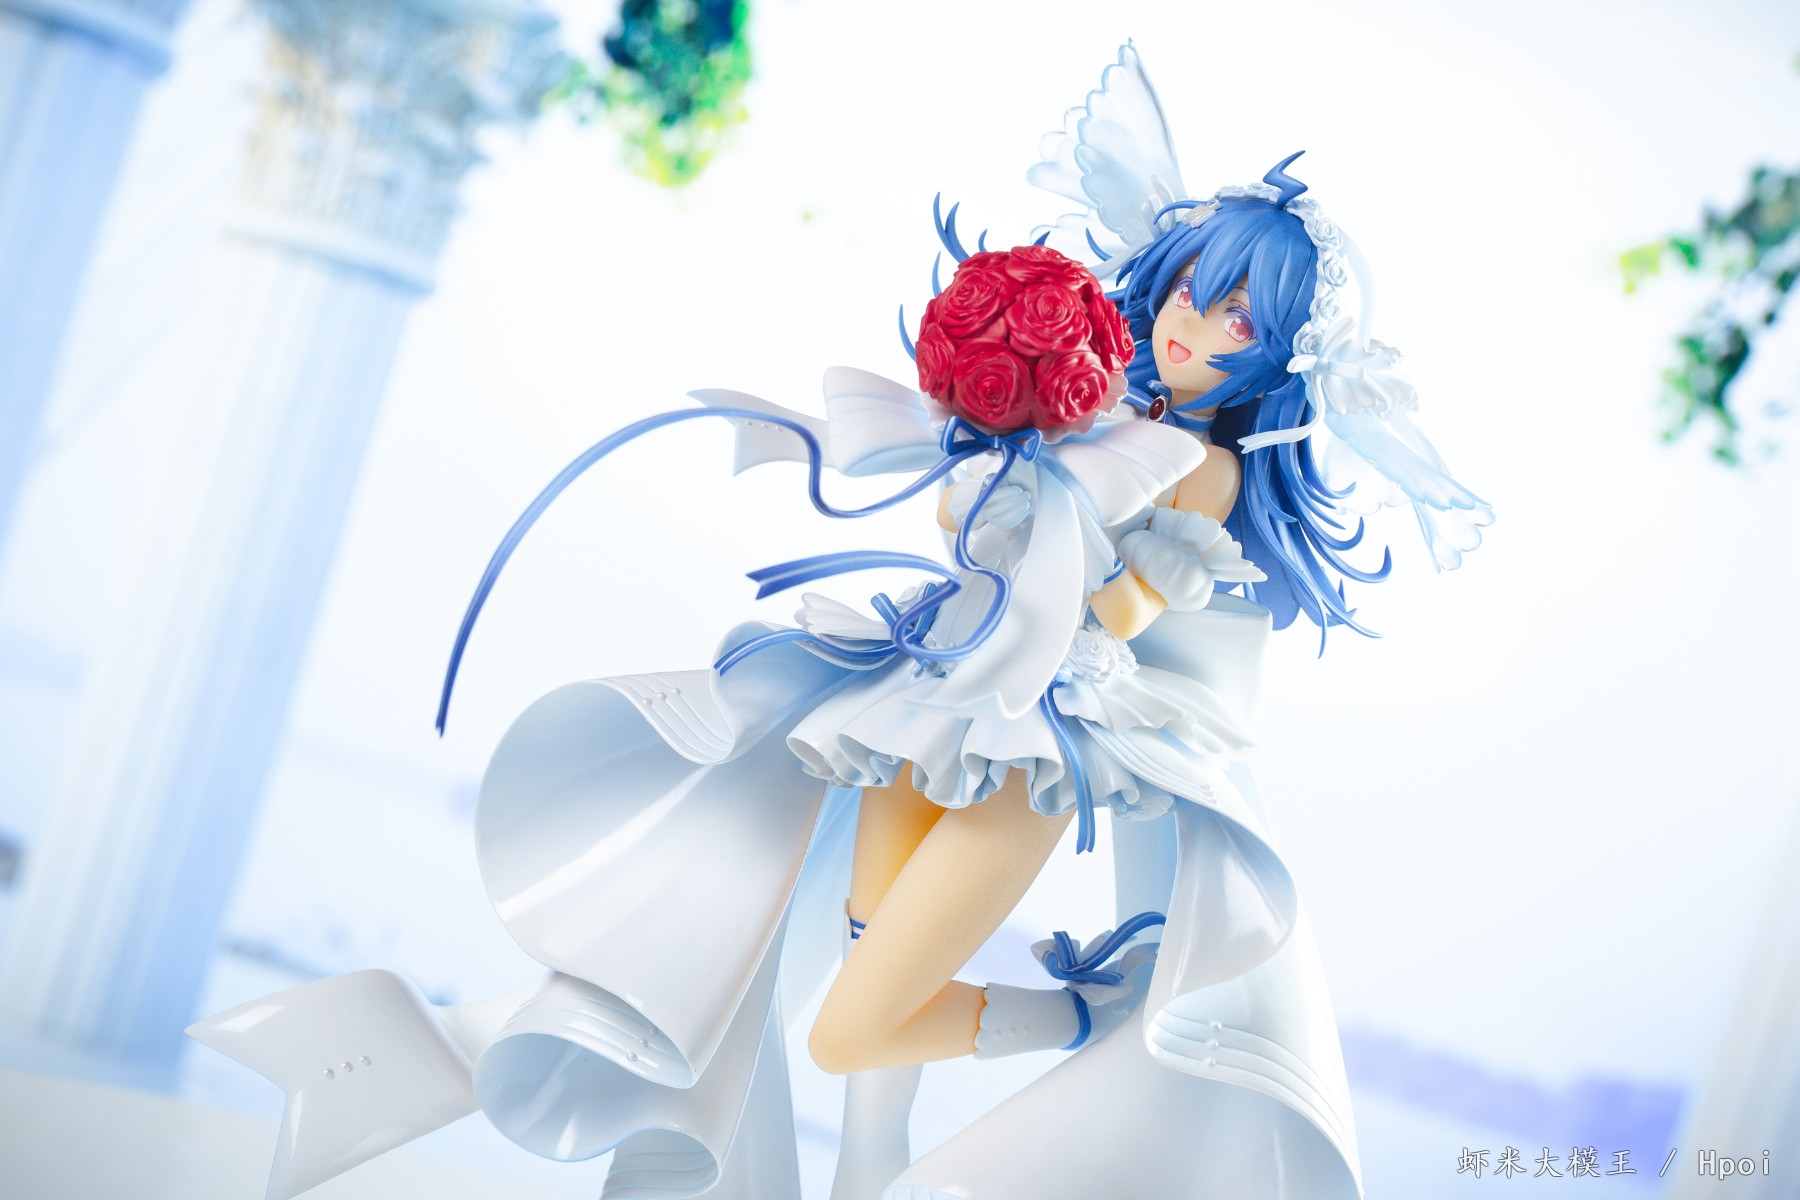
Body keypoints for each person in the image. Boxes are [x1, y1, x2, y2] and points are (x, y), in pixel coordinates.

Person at [188, 43, 1489, 1200]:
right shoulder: (1106, 411)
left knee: (854, 1024)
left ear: (1275, 358)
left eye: (1237, 320)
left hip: (1037, 738)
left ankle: (1089, 1020)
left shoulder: (1197, 469)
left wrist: (1037, 509)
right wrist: (994, 454)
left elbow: (1111, 609)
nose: (1195, 326)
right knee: (853, 966)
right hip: (926, 693)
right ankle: (868, 1169)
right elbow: (966, 532)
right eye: (1191, 291)